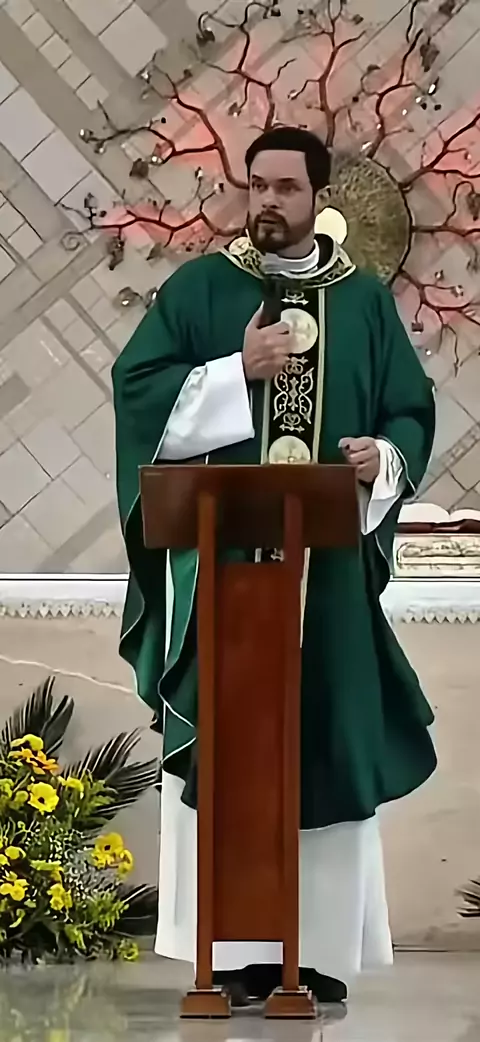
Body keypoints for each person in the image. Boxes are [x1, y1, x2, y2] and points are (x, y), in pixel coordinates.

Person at [112, 126, 437, 1005]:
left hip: (322, 580)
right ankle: (221, 948)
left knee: (320, 736)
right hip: (220, 575)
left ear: (318, 197)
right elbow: (136, 391)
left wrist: (383, 459)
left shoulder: (362, 303)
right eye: (257, 185)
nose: (267, 201)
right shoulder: (202, 289)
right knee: (231, 742)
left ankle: (316, 948)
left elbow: (410, 408)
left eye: (286, 188)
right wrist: (233, 371)